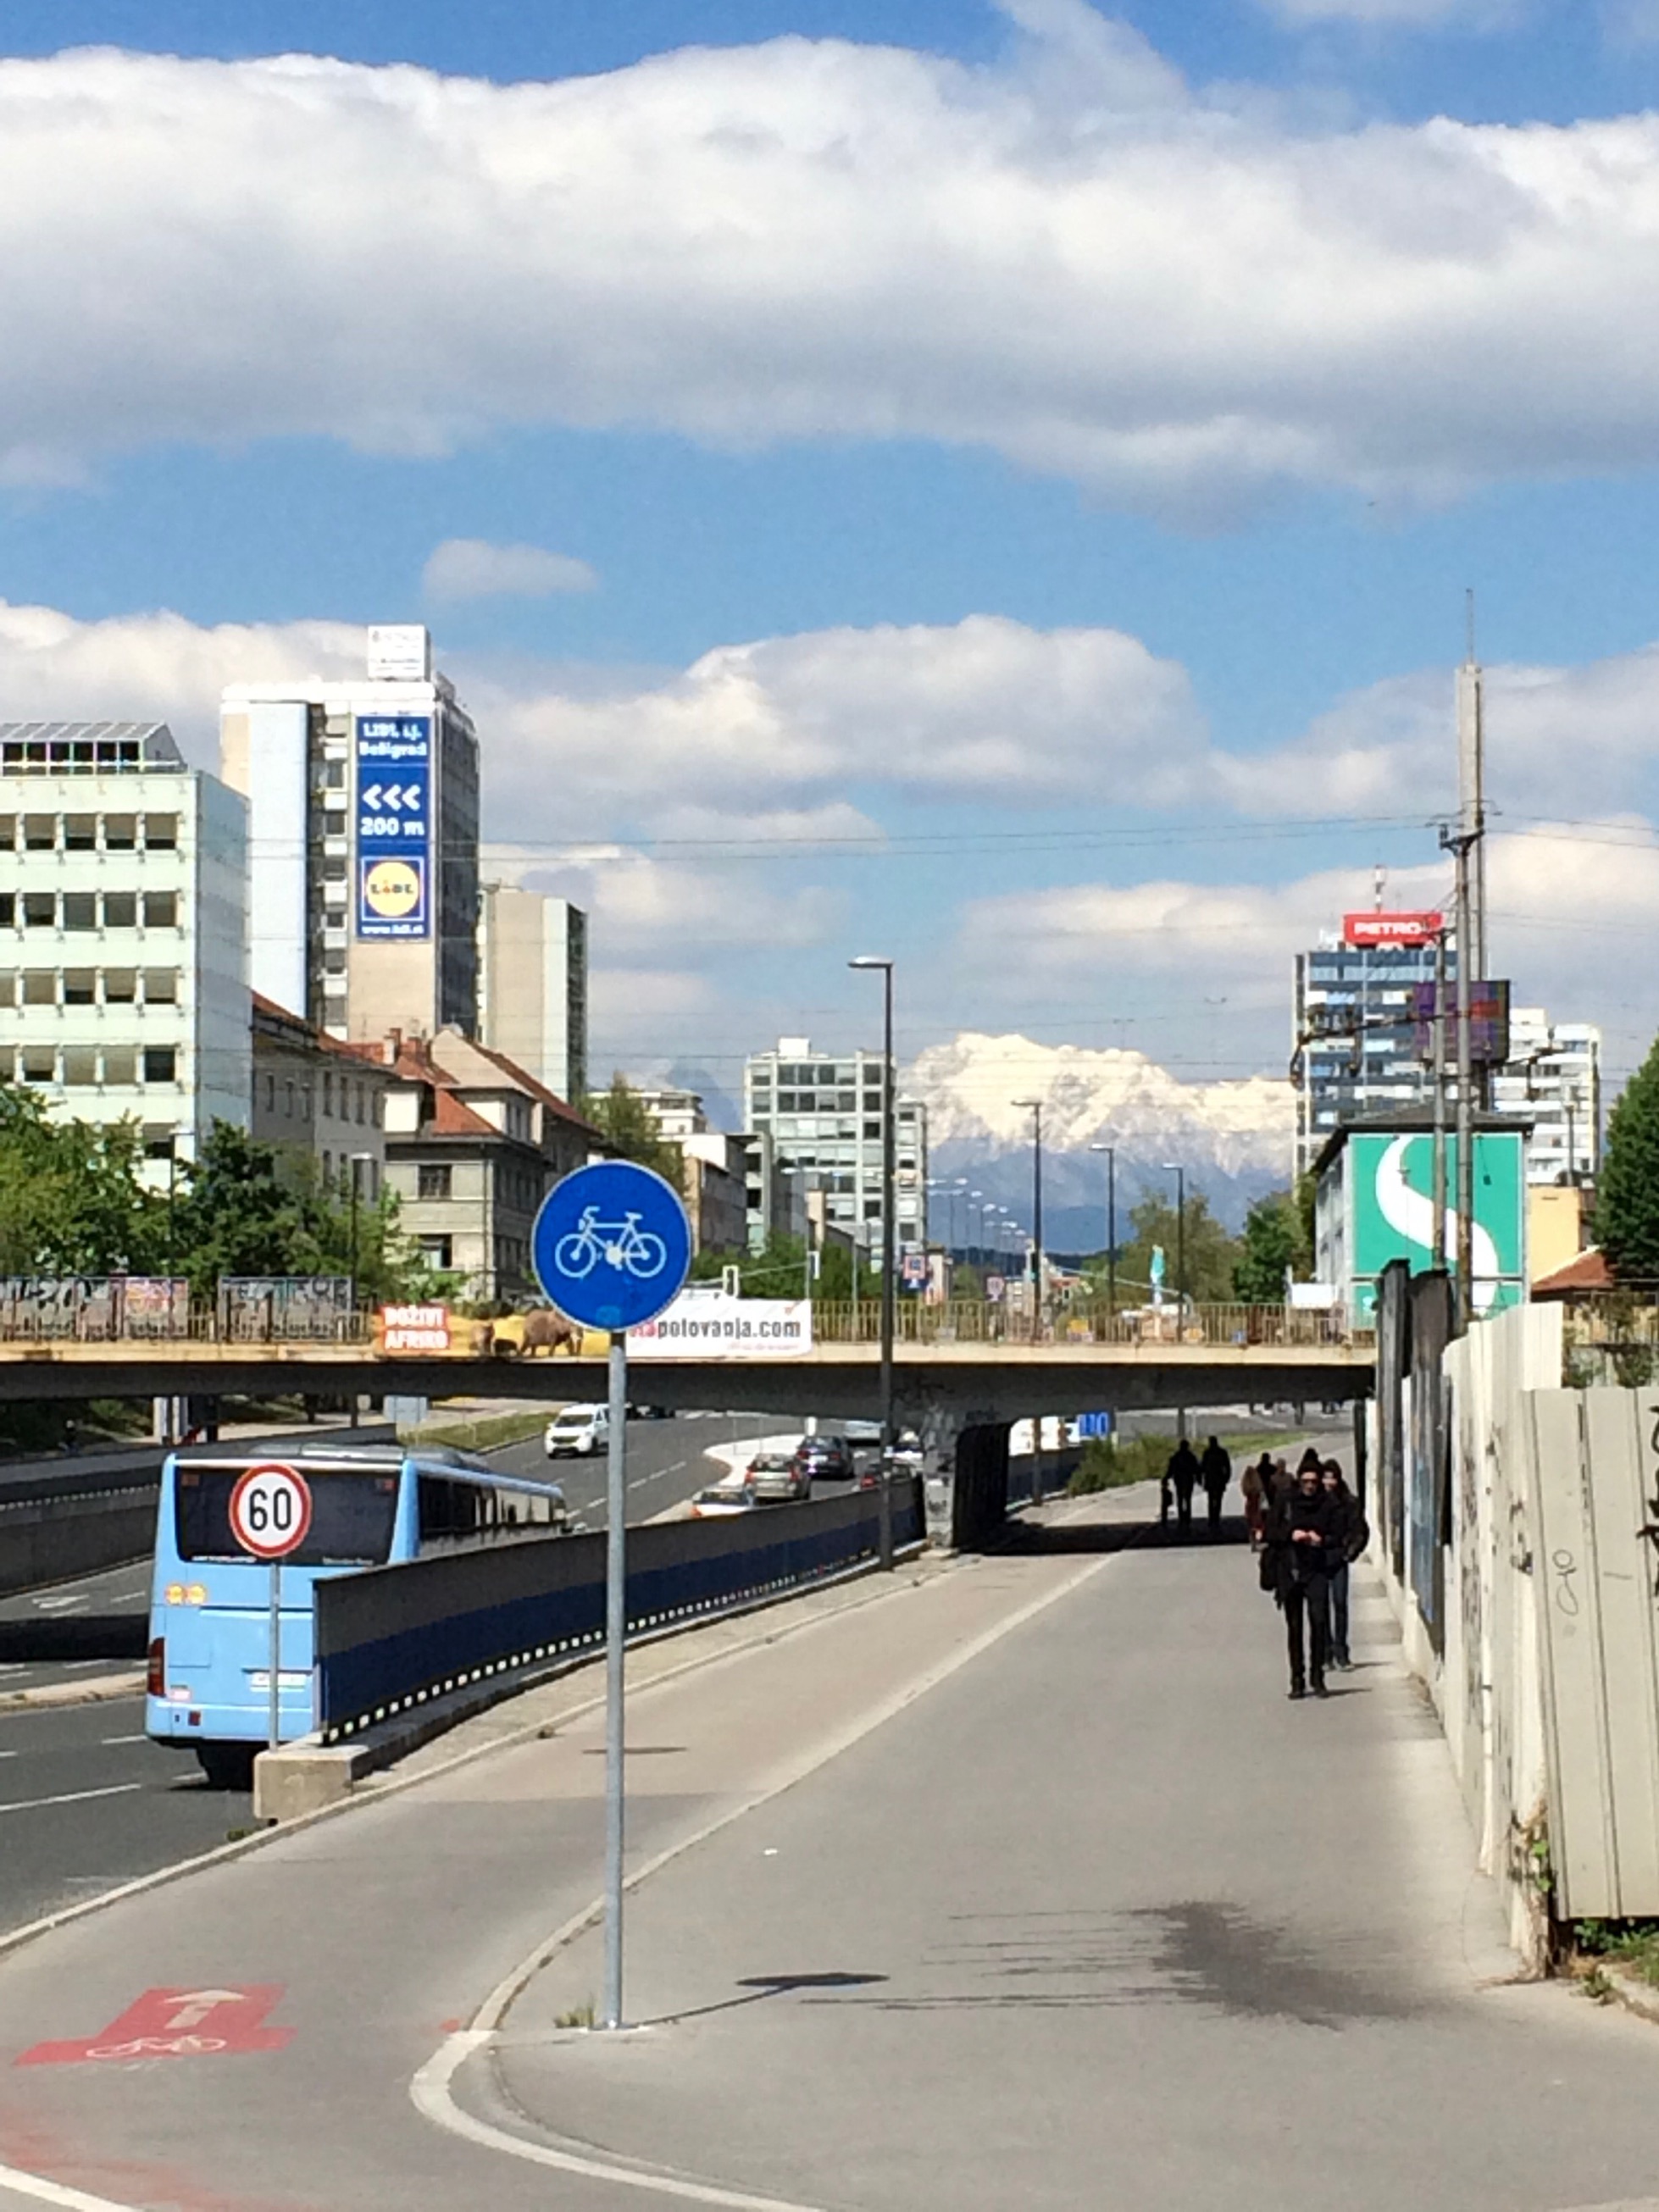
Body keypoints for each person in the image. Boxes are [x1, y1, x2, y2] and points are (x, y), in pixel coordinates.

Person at [1264, 1457, 1342, 1698]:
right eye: (1305, 1481)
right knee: (1294, 1627)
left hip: (1316, 1570)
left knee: (1319, 1622)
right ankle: (1296, 1680)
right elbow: (1270, 1532)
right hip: (1291, 1569)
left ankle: (1317, 1676)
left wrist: (1322, 1540)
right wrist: (1292, 1534)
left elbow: (1338, 1534)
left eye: (1314, 1481)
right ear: (1299, 1480)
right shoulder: (1286, 1500)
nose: (1309, 1486)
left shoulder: (1328, 1503)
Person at [1321, 1460, 1369, 1671]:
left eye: (1332, 1477)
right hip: (1319, 1559)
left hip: (1339, 1558)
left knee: (1340, 1604)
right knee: (1320, 1608)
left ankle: (1342, 1650)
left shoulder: (1349, 1502)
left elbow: (1360, 1530)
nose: (1329, 1482)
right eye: (1326, 1477)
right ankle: (1325, 1651)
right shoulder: (1315, 1504)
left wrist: (1350, 1553)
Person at [1166, 1438, 1200, 1535]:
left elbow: (1171, 1469)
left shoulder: (1176, 1456)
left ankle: (1182, 1518)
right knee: (1187, 1499)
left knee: (1180, 1498)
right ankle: (1187, 1518)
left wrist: (1166, 1478)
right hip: (1188, 1480)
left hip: (1179, 1480)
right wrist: (1198, 1479)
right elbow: (1196, 1468)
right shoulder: (1191, 1456)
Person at [1200, 1435, 1232, 1537]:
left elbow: (1202, 1467)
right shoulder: (1222, 1453)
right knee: (1218, 1500)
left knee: (1211, 1500)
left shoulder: (1207, 1453)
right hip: (1219, 1480)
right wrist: (1226, 1479)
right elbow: (1227, 1467)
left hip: (1211, 1480)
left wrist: (1201, 1479)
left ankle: (1212, 1518)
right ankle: (1216, 1517)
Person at [1242, 1452, 1273, 1549]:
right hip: (1257, 1505)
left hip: (1250, 1505)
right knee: (1259, 1524)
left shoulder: (1258, 1470)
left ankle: (1253, 1541)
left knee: (1251, 1524)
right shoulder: (1259, 1482)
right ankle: (1259, 1539)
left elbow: (1244, 1490)